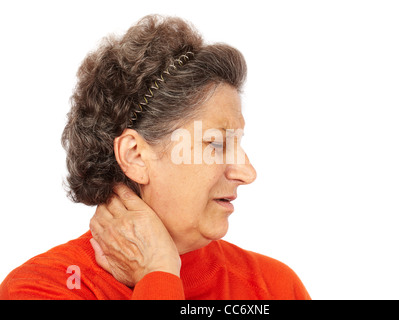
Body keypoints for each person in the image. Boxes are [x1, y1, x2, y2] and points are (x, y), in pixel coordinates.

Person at [0, 15, 310, 300]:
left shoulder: (275, 287)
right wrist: (158, 274)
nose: (247, 172)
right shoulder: (42, 287)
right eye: (216, 144)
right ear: (135, 156)